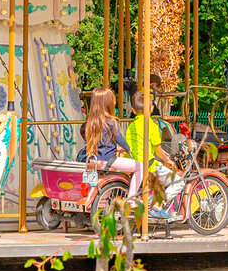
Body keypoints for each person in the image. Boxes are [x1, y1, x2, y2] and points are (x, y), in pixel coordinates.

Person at [125, 89, 185, 218]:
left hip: (135, 164)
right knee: (179, 181)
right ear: (152, 109)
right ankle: (157, 207)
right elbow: (158, 150)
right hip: (150, 165)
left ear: (133, 110)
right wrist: (168, 160)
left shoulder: (131, 127)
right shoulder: (151, 125)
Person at [78, 87, 143, 198]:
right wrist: (128, 149)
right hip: (109, 159)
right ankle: (131, 197)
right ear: (108, 104)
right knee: (139, 166)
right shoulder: (111, 121)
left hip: (94, 159)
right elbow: (119, 139)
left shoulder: (90, 122)